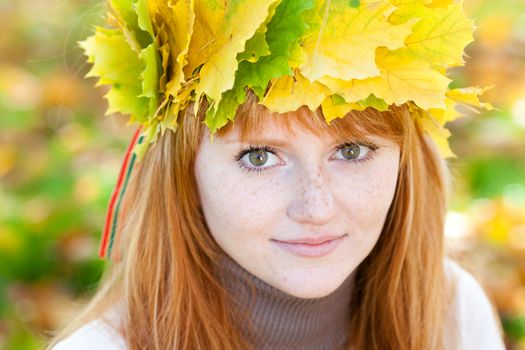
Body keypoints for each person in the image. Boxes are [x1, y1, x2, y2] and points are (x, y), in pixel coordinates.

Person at [48, 0, 505, 349]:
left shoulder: (451, 317)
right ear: (183, 172)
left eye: (351, 150)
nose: (316, 208)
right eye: (260, 156)